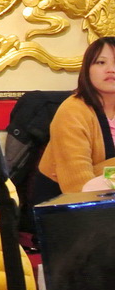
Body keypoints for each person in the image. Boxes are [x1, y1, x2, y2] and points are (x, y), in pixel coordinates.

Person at [38, 36, 115, 193]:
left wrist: (100, 173)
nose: (111, 69)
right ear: (87, 70)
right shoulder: (72, 111)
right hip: (66, 201)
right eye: (101, 62)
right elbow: (78, 185)